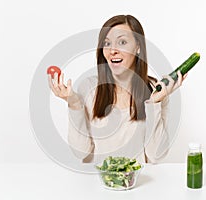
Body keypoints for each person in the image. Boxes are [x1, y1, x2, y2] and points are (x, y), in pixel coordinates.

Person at [48, 15, 186, 164]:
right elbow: (80, 153)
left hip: (139, 183)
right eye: (107, 43)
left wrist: (155, 102)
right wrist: (74, 104)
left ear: (138, 47)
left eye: (122, 42)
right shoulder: (89, 88)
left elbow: (156, 155)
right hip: (98, 182)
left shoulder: (156, 90)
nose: (112, 50)